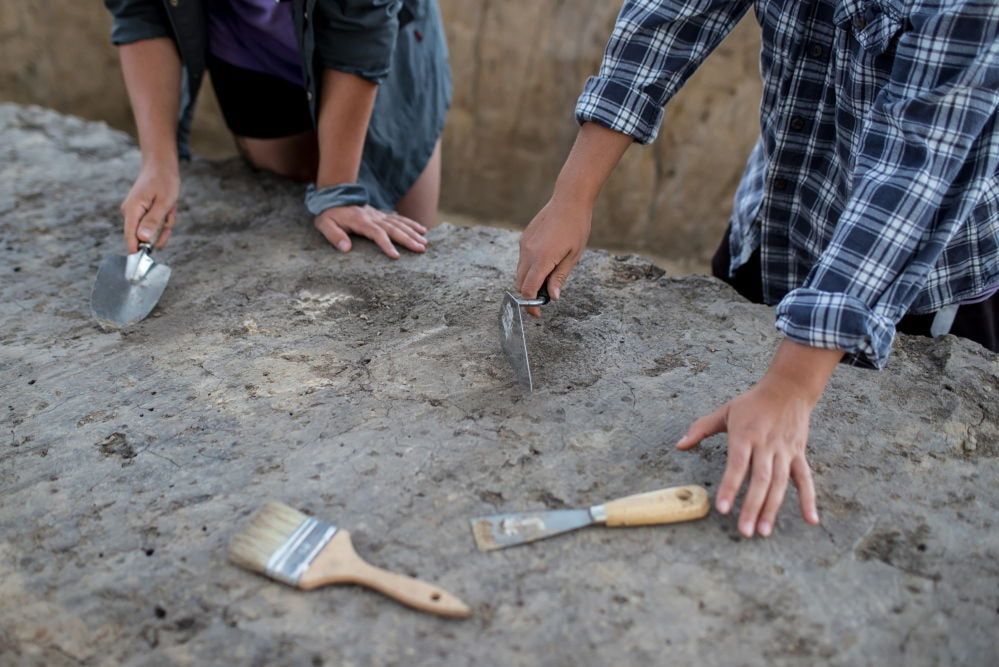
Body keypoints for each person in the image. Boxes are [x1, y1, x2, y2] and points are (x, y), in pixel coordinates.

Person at [515, 0, 998, 538]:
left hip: (919, 287)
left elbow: (919, 161)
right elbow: (675, 13)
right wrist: (573, 195)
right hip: (774, 222)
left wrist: (791, 385)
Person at [103, 0, 450, 259]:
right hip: (252, 49)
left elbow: (362, 29)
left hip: (377, 45)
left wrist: (337, 188)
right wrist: (158, 163)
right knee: (289, 203)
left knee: (401, 231)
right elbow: (142, 10)